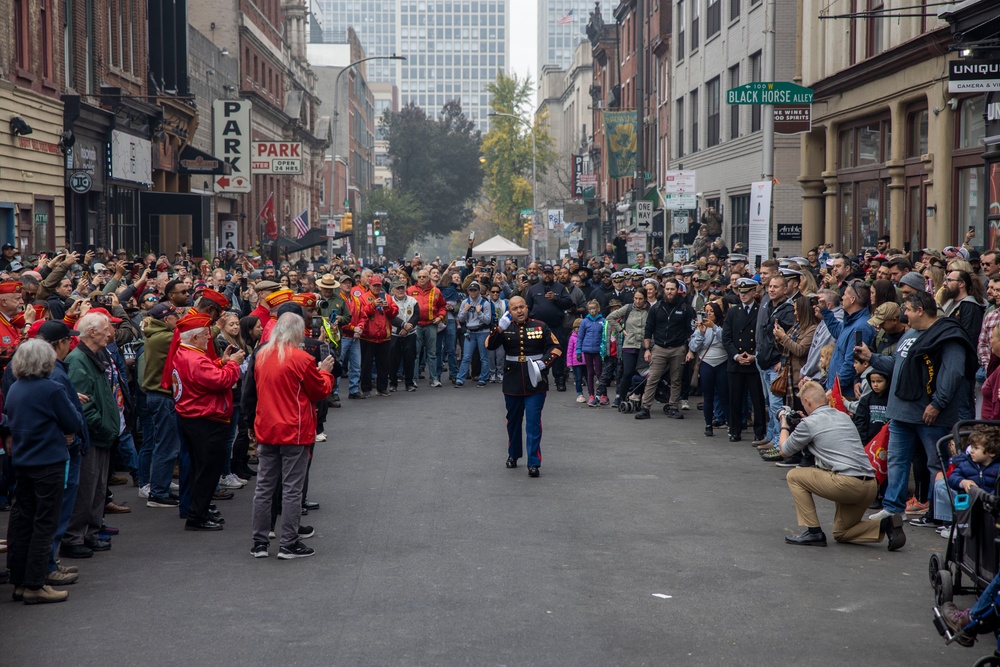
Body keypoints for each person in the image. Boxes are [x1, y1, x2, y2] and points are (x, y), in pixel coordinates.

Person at [862, 290, 977, 525]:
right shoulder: (910, 334)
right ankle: (893, 508)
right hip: (902, 412)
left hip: (930, 414)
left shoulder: (948, 336)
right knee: (896, 460)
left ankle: (944, 516)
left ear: (920, 311)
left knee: (937, 464)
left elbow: (953, 373)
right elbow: (897, 364)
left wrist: (937, 404)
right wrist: (871, 357)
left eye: (907, 309)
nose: (904, 314)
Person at [779, 381, 907, 550]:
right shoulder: (843, 416)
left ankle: (814, 531)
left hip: (846, 484)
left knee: (794, 476)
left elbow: (785, 450)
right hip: (869, 485)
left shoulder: (809, 424)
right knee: (842, 532)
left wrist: (784, 424)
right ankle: (886, 525)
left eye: (803, 403)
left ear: (808, 402)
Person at [247, 313, 335, 559]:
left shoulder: (262, 355)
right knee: (292, 488)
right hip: (293, 429)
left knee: (264, 487)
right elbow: (319, 390)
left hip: (267, 427)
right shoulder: (300, 358)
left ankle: (260, 541)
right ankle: (288, 542)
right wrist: (325, 372)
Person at [5, 339, 84, 604]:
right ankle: (35, 584)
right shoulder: (51, 388)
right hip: (48, 461)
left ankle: (19, 580)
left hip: (24, 461)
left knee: (21, 521)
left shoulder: (16, 387)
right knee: (44, 522)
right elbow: (72, 420)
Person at [170, 312, 244, 531]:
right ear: (194, 338)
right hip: (206, 419)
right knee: (207, 470)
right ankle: (197, 515)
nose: (208, 339)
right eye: (204, 335)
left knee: (197, 468)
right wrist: (233, 365)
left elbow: (205, 373)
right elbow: (221, 380)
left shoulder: (183, 353)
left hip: (192, 417)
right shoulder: (195, 358)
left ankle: (198, 510)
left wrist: (222, 361)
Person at [485, 296, 562, 477]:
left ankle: (533, 462)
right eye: (514, 309)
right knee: (513, 421)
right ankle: (513, 454)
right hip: (513, 381)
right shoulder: (505, 327)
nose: (519, 311)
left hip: (535, 380)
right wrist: (499, 329)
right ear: (509, 311)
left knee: (534, 422)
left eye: (521, 307)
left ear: (527, 308)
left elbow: (556, 347)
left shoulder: (540, 326)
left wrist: (544, 363)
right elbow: (489, 345)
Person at [63, 312, 119, 558]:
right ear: (92, 332)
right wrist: (103, 427)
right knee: (86, 489)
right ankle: (75, 537)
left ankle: (90, 533)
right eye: (106, 329)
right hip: (93, 435)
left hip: (101, 434)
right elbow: (82, 404)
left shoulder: (94, 356)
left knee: (97, 488)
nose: (110, 334)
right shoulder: (78, 360)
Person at [635, 278, 695, 420]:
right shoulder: (656, 307)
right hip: (659, 348)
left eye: (672, 289)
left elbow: (691, 332)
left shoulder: (686, 309)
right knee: (653, 378)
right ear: (664, 290)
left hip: (678, 348)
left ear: (677, 290)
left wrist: (691, 350)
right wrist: (647, 349)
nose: (669, 292)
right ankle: (645, 408)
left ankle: (673, 406)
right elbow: (648, 329)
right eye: (667, 289)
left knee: (676, 380)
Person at [722, 278, 766, 442]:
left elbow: (763, 336)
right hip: (736, 362)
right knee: (735, 398)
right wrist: (736, 355)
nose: (743, 295)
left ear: (754, 293)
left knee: (757, 400)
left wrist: (754, 354)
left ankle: (759, 431)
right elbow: (726, 337)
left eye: (746, 292)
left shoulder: (760, 310)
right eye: (741, 292)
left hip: (753, 361)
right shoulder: (733, 312)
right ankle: (735, 430)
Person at [525, 265, 573, 392]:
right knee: (538, 352)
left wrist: (556, 299)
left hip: (555, 326)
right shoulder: (533, 289)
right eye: (545, 273)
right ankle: (540, 378)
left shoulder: (561, 288)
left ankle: (559, 380)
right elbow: (527, 307)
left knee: (557, 352)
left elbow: (569, 303)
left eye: (549, 273)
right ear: (542, 274)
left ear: (553, 275)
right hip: (538, 327)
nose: (547, 275)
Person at [687, 301, 728, 437]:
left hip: (722, 362)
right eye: (707, 311)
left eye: (711, 311)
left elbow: (726, 340)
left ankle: (729, 422)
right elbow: (693, 347)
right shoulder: (702, 326)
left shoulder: (723, 325)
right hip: (706, 363)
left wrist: (714, 327)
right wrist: (700, 332)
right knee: (708, 396)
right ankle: (708, 424)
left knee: (724, 394)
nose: (709, 314)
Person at [608, 289, 650, 408]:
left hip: (644, 346)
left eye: (640, 298)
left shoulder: (650, 310)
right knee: (627, 372)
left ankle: (638, 397)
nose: (637, 301)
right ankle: (620, 397)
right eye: (636, 298)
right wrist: (621, 329)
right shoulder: (628, 308)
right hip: (630, 345)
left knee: (641, 374)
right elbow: (610, 317)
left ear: (645, 299)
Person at [359, 276, 398, 397]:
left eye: (378, 285)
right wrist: (373, 305)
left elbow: (394, 313)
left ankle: (382, 388)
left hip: (384, 336)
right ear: (369, 286)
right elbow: (361, 312)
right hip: (368, 337)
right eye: (374, 285)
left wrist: (387, 307)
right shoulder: (363, 298)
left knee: (384, 364)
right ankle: (366, 388)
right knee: (366, 364)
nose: (376, 288)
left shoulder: (387, 297)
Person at [407, 269, 446, 388]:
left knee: (432, 353)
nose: (422, 279)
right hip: (416, 325)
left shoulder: (436, 291)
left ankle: (434, 379)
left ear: (428, 278)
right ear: (416, 278)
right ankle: (413, 379)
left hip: (431, 324)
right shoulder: (410, 290)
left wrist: (440, 317)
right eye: (419, 277)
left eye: (424, 277)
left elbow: (442, 306)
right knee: (415, 353)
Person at [455, 281, 493, 388]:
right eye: (470, 290)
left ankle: (483, 378)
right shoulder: (465, 302)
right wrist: (465, 311)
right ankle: (460, 379)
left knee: (483, 357)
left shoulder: (485, 303)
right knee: (466, 356)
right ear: (468, 291)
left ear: (479, 291)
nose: (473, 292)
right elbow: (460, 319)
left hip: (482, 332)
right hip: (470, 332)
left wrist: (479, 313)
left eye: (475, 290)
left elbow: (487, 321)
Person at [388, 280, 419, 392]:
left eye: (402, 288)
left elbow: (416, 315)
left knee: (409, 359)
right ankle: (393, 383)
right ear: (393, 290)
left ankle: (409, 383)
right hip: (395, 334)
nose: (400, 290)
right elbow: (389, 316)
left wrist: (407, 328)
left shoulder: (413, 300)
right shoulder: (389, 300)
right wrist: (403, 325)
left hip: (410, 334)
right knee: (393, 360)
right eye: (398, 288)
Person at [576, 300, 606, 407]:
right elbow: (580, 336)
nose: (592, 311)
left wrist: (605, 350)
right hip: (587, 350)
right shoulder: (584, 322)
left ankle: (603, 394)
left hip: (598, 350)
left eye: (594, 308)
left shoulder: (603, 321)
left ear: (598, 309)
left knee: (599, 372)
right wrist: (578, 350)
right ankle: (591, 394)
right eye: (590, 309)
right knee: (590, 372)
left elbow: (605, 336)